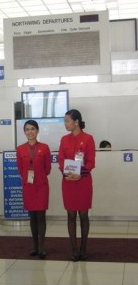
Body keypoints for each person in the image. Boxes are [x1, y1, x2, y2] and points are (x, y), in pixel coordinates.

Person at [59, 109, 96, 261]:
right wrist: (67, 172)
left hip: (83, 181)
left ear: (76, 122)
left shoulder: (88, 139)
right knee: (71, 215)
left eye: (67, 121)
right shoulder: (64, 139)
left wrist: (80, 173)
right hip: (68, 181)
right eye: (65, 121)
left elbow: (91, 161)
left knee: (83, 215)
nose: (65, 124)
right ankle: (74, 249)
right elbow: (61, 160)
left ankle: (83, 248)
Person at [16, 120, 52, 260]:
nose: (30, 132)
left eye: (32, 129)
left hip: (41, 186)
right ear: (24, 132)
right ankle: (35, 247)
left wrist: (39, 176)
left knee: (41, 217)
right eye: (27, 129)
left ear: (37, 131)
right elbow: (20, 168)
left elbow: (48, 169)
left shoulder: (45, 147)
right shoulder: (20, 149)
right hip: (28, 186)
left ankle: (42, 248)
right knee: (32, 217)